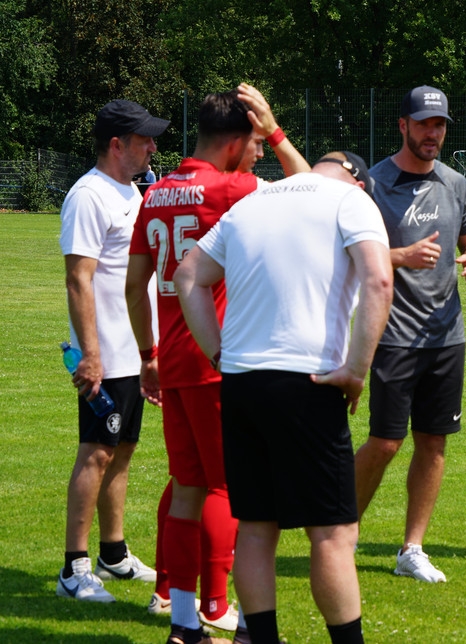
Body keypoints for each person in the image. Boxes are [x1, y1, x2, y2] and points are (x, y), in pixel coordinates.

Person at [175, 153, 393, 644]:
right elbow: (380, 280)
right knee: (333, 534)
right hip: (308, 382)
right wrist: (357, 369)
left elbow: (188, 275)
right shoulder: (350, 201)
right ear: (358, 180)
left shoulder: (253, 202)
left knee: (255, 527)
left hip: (242, 382)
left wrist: (217, 353)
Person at [126, 86, 309, 644]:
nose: (257, 152)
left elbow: (135, 285)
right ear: (233, 143)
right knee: (233, 489)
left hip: (175, 358)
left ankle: (183, 623)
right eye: (252, 143)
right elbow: (313, 190)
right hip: (219, 356)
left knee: (187, 487)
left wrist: (147, 355)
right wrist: (276, 131)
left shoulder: (154, 194)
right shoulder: (232, 188)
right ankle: (222, 605)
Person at [353, 85, 466, 583]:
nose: (434, 133)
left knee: (433, 443)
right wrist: (399, 257)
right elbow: (348, 253)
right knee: (385, 443)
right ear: (403, 125)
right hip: (392, 334)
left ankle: (412, 548)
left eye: (441, 124)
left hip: (446, 337)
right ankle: (340, 528)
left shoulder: (455, 182)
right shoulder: (374, 183)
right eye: (425, 124)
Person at [57, 99, 168, 603]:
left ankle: (113, 553)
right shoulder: (88, 195)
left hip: (133, 351)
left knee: (122, 451)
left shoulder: (132, 189)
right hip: (106, 352)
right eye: (144, 139)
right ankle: (73, 568)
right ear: (117, 143)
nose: (153, 146)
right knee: (96, 452)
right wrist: (91, 354)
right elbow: (78, 279)